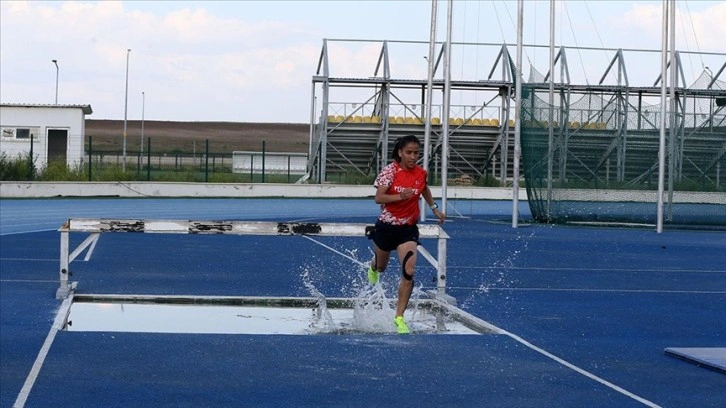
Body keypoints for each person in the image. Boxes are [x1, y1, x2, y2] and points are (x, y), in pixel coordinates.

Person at [366, 135, 446, 334]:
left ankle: (399, 317)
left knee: (409, 270)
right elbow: (379, 198)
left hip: (407, 229)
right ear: (400, 152)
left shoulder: (421, 173)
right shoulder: (390, 172)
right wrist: (400, 196)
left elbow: (424, 188)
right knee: (381, 267)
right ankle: (373, 266)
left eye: (416, 153)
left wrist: (434, 207)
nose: (413, 157)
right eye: (409, 152)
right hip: (386, 227)